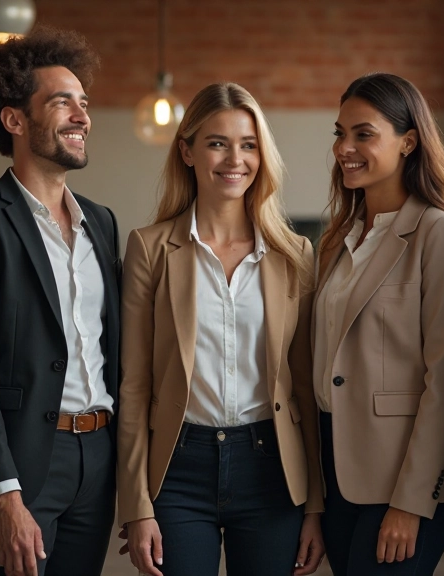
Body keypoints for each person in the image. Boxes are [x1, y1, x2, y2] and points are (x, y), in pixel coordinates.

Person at [116, 82, 325, 576]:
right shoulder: (149, 249)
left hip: (272, 467)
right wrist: (137, 505)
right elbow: (134, 385)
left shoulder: (294, 254)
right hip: (178, 469)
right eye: (217, 143)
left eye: (248, 145)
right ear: (187, 151)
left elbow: (304, 386)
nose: (235, 159)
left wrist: (315, 506)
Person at [0, 27, 121, 576]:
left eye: (83, 103)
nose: (82, 116)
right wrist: (5, 493)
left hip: (99, 458)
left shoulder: (102, 222)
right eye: (62, 102)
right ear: (14, 120)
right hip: (20, 464)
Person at [313, 73, 444, 576]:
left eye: (364, 134)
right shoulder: (338, 239)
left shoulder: (436, 232)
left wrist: (412, 501)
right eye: (340, 133)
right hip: (336, 474)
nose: (345, 148)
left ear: (408, 142)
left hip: (401, 483)